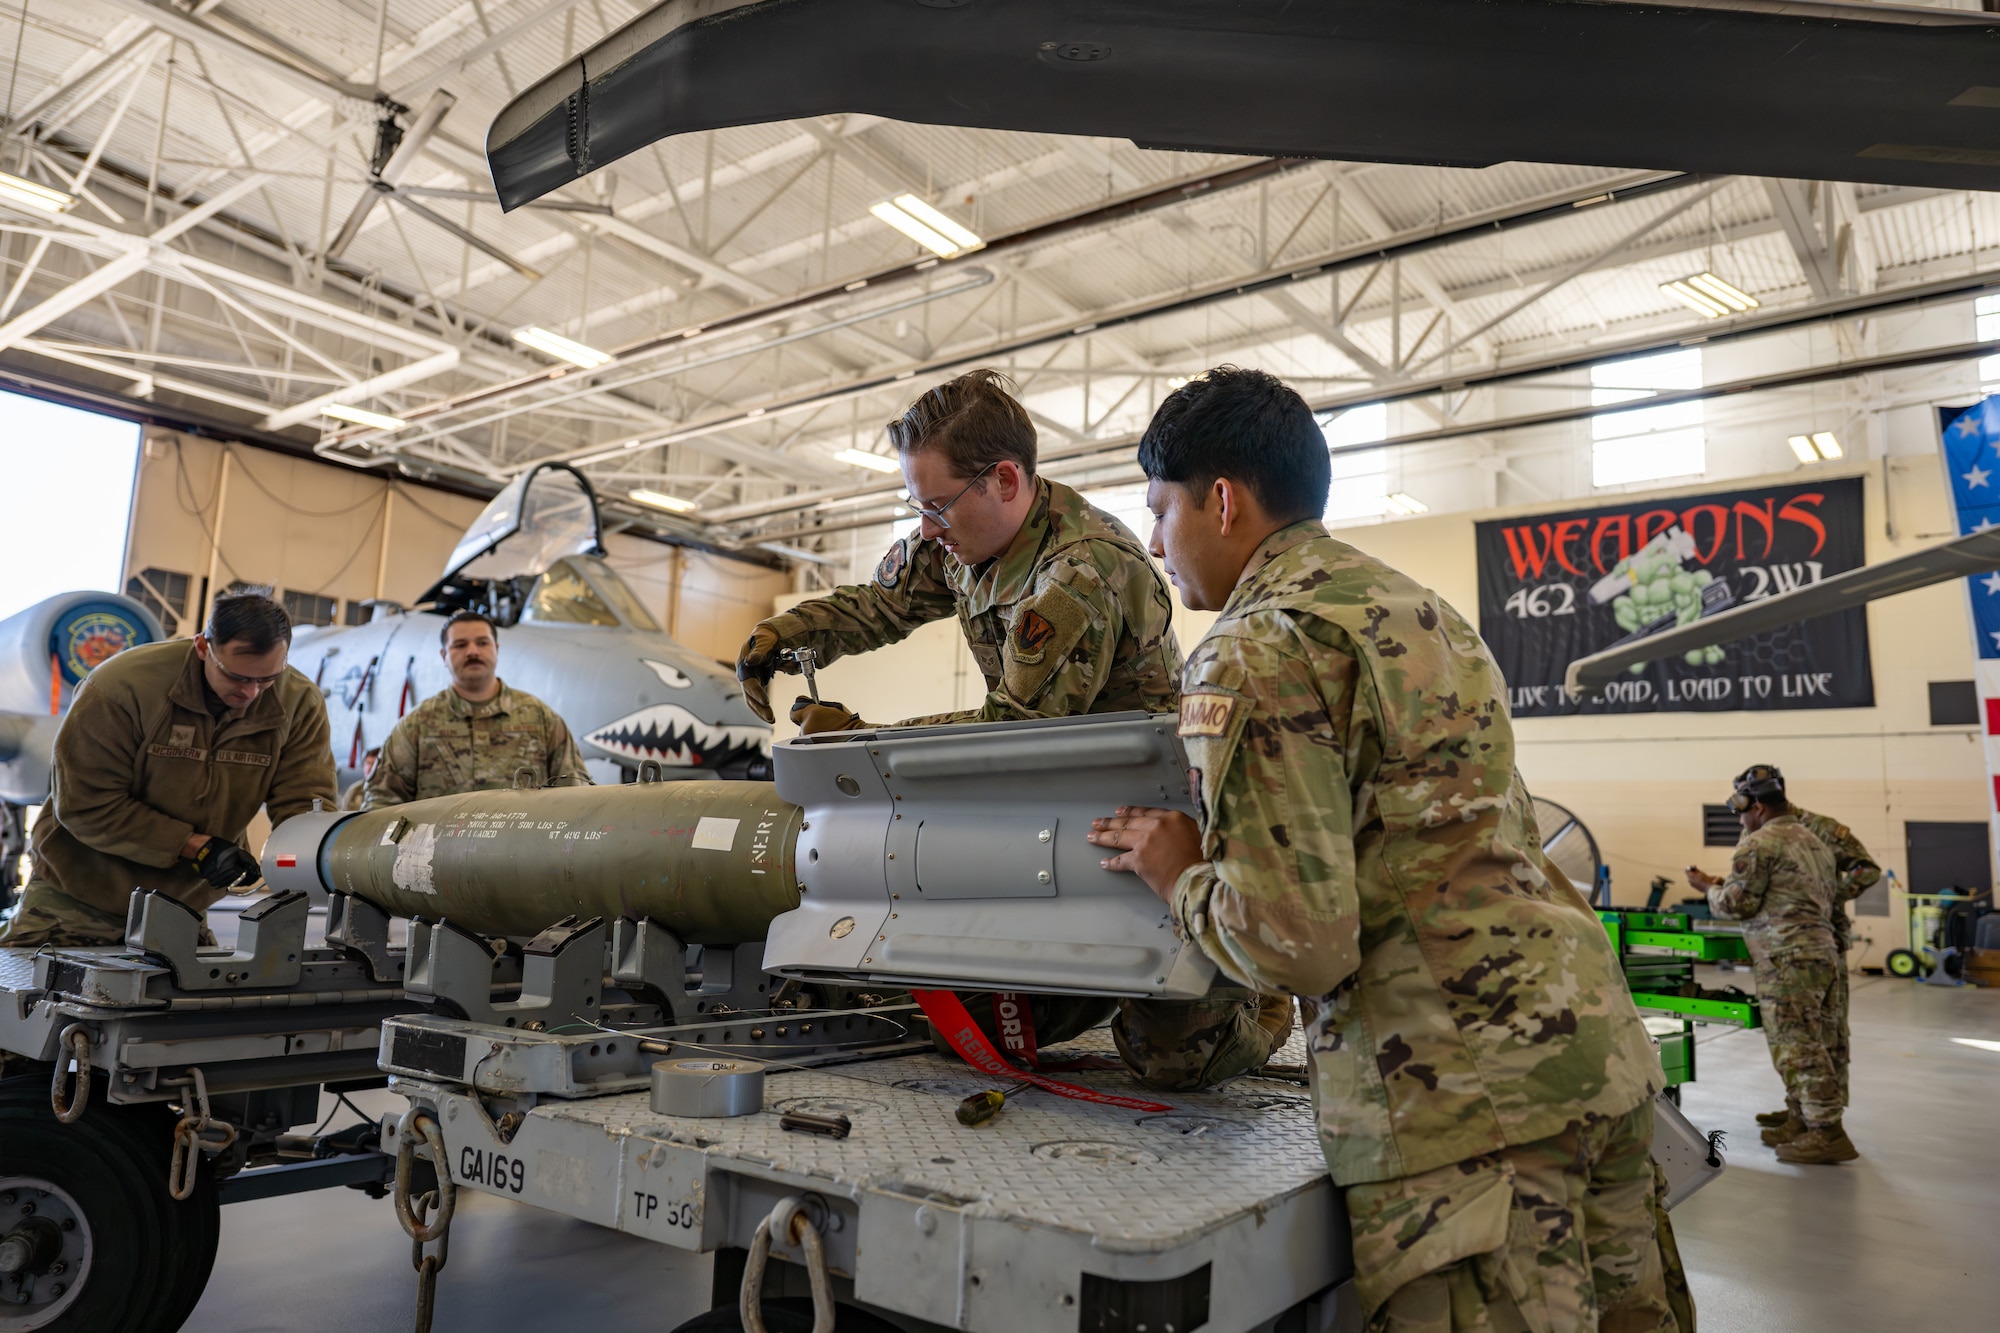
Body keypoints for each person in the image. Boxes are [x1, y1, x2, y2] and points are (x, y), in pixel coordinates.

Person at [1086, 367, 1688, 1331]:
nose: (1155, 543)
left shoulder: (1254, 646)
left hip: (1456, 1104)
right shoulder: (1423, 610)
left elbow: (1300, 945)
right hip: (1590, 1049)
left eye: (1160, 511)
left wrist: (1179, 872)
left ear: (1223, 501)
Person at [736, 367, 1290, 1090]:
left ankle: (1263, 995)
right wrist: (788, 634)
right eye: (917, 506)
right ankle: (1096, 982)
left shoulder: (1080, 574)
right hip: (1041, 814)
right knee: (963, 1022)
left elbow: (1012, 733)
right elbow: (881, 605)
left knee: (1175, 1060)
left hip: (1138, 824)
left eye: (937, 506)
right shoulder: (960, 538)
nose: (926, 527)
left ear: (1003, 480)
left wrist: (861, 737)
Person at [0, 593, 336, 949]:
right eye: (237, 677)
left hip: (180, 909)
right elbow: (85, 804)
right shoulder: (121, 687)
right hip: (75, 900)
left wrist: (309, 860)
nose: (251, 692)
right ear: (203, 647)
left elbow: (307, 805)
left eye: (266, 679)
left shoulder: (298, 702)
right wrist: (196, 847)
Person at [1689, 772, 1854, 1165]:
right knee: (1819, 1038)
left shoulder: (1759, 843)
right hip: (1822, 954)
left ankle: (1826, 1132)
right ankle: (1801, 1120)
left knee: (1797, 1045)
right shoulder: (1813, 841)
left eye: (1742, 814)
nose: (1741, 822)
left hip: (1785, 959)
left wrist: (1708, 888)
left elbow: (1736, 904)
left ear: (1758, 808)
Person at [1732, 763, 1877, 1135]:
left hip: (1818, 942)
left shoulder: (1819, 828)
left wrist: (1825, 896)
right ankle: (1799, 1110)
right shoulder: (1758, 829)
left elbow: (1867, 869)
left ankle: (1824, 1121)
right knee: (1794, 1034)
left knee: (1824, 1033)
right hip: (1783, 943)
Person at [366, 611, 591, 808]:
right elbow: (381, 802)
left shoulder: (541, 719)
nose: (472, 651)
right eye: (460, 645)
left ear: (496, 649)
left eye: (483, 643)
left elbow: (575, 796)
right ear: (444, 655)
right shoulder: (418, 724)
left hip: (522, 845)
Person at [340, 746, 381, 811]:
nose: (369, 768)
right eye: (367, 763)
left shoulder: (390, 790)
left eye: (373, 764)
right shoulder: (354, 791)